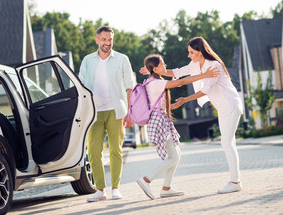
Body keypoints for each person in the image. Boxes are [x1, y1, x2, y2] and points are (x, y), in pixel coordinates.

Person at [141, 36, 244, 194]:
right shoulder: (195, 64)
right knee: (227, 142)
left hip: (231, 105)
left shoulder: (214, 66)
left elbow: (205, 90)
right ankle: (234, 180)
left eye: (191, 52)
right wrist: (154, 70)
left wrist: (185, 100)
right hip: (222, 108)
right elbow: (177, 73)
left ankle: (235, 181)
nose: (189, 55)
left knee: (227, 142)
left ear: (200, 52)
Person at [136, 54, 220, 200]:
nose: (165, 66)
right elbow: (181, 82)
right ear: (155, 68)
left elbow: (174, 77)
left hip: (163, 120)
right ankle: (146, 180)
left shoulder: (153, 80)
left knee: (176, 154)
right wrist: (204, 75)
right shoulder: (155, 83)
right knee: (173, 157)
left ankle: (166, 188)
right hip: (160, 121)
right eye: (162, 64)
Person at [79, 26, 134, 202]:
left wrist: (130, 111)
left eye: (109, 39)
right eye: (103, 39)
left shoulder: (121, 59)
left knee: (115, 150)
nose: (107, 43)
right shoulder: (88, 60)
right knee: (94, 151)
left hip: (116, 110)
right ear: (97, 40)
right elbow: (81, 86)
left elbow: (129, 86)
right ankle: (100, 190)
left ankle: (116, 188)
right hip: (94, 112)